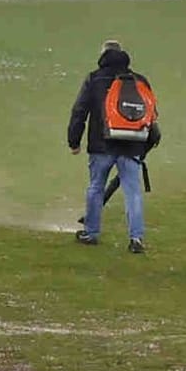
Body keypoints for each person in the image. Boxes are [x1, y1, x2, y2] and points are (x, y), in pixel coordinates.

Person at [68, 40, 160, 254]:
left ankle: (91, 233)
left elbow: (79, 111)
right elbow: (151, 114)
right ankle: (136, 239)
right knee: (133, 192)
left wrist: (74, 141)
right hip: (132, 145)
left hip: (101, 145)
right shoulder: (139, 80)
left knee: (96, 188)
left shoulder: (95, 78)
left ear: (103, 55)